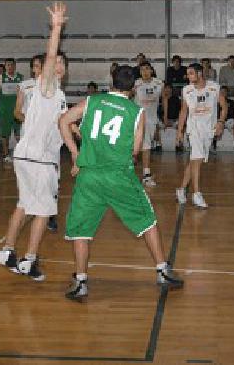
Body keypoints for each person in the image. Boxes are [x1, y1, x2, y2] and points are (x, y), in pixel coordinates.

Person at [58, 65, 184, 301]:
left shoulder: (92, 101)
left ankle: (81, 281)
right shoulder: (136, 112)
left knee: (81, 231)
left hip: (89, 176)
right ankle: (162, 271)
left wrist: (75, 153)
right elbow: (135, 150)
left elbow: (64, 121)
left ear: (111, 81)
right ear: (134, 86)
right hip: (118, 176)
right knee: (147, 220)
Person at [0, 2, 69, 281]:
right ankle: (29, 260)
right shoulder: (47, 86)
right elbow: (50, 55)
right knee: (43, 211)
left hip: (26, 156)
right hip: (38, 159)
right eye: (55, 62)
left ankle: (8, 251)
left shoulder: (55, 93)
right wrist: (57, 26)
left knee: (24, 205)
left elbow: (61, 126)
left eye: (62, 62)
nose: (57, 64)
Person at [14, 53, 61, 233]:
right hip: (30, 140)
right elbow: (17, 112)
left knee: (54, 178)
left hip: (49, 140)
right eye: (34, 66)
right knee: (30, 180)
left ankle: (50, 215)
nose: (37, 69)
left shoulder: (53, 86)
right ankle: (29, 209)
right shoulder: (26, 86)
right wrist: (31, 121)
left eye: (40, 65)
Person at [175, 63, 226, 209]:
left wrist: (221, 122)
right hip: (194, 129)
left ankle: (181, 190)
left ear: (199, 73)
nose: (188, 76)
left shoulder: (214, 87)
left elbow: (224, 106)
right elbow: (183, 111)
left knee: (194, 161)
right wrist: (180, 130)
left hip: (209, 130)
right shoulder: (186, 90)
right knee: (196, 160)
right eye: (188, 73)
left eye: (191, 73)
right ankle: (196, 194)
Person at [133, 61, 164, 187]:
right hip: (136, 120)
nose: (145, 72)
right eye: (142, 70)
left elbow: (165, 99)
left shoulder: (159, 83)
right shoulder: (135, 84)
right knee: (131, 148)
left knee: (146, 147)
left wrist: (162, 118)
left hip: (151, 120)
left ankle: (146, 175)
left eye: (147, 69)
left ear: (151, 70)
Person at [0, 57, 23, 162]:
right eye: (8, 65)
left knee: (19, 133)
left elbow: (24, 94)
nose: (10, 67)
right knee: (5, 133)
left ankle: (21, 153)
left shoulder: (20, 78)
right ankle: (5, 154)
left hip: (17, 110)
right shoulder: (0, 78)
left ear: (15, 66)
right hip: (4, 111)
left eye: (12, 65)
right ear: (5, 67)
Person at [213, 87, 234, 154]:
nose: (223, 93)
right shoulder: (216, 102)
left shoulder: (232, 102)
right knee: (215, 128)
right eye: (221, 91)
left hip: (229, 119)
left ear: (227, 93)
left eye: (224, 91)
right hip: (219, 119)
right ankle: (214, 147)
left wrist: (229, 118)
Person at [218, 55, 234, 120]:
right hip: (226, 89)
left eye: (233, 61)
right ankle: (222, 112)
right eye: (230, 61)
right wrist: (227, 87)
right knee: (222, 93)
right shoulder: (223, 69)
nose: (232, 63)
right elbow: (221, 81)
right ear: (228, 62)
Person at [159, 82, 183, 153]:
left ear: (171, 89)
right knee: (154, 124)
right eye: (165, 88)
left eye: (169, 88)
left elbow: (180, 111)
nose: (167, 90)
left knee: (181, 126)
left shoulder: (176, 99)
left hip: (175, 120)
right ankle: (158, 144)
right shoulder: (160, 99)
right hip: (163, 120)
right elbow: (159, 112)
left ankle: (178, 145)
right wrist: (164, 120)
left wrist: (177, 120)